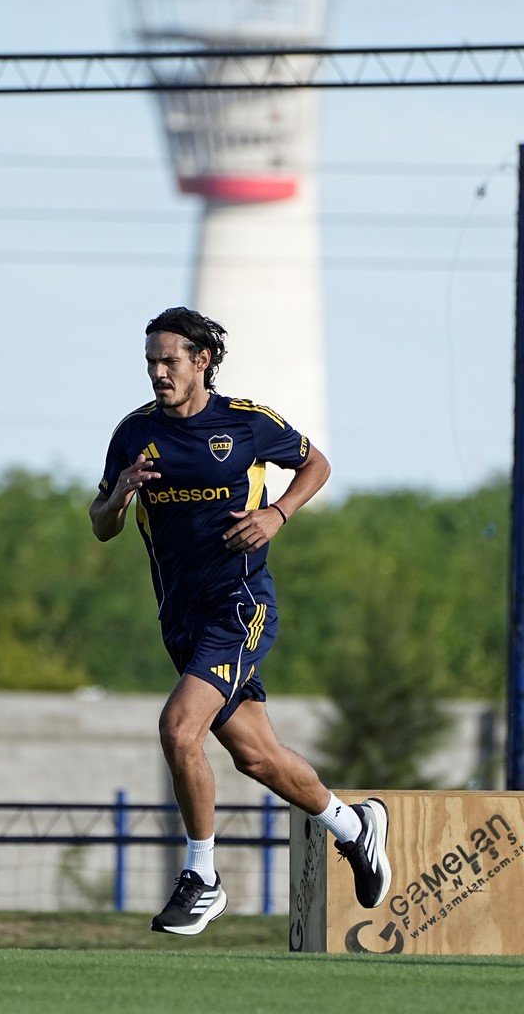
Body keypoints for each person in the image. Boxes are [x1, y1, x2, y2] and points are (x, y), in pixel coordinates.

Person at [89, 306, 391, 936]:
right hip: (181, 618)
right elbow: (101, 524)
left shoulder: (248, 424)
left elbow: (317, 463)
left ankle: (203, 878)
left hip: (240, 606)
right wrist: (117, 495)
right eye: (150, 361)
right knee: (257, 757)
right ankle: (354, 825)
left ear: (202, 361)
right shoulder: (133, 434)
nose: (157, 373)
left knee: (178, 729)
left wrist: (278, 513)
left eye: (169, 360)